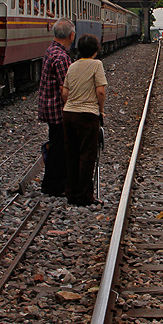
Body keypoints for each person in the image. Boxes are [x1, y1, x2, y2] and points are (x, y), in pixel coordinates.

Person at [61, 33, 107, 206]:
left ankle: (71, 193)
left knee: (71, 154)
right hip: (88, 114)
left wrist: (71, 106)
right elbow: (100, 91)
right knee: (87, 155)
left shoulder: (72, 66)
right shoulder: (97, 64)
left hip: (69, 114)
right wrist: (100, 110)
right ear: (96, 49)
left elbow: (64, 93)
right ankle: (85, 196)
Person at [38, 18, 75, 197]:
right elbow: (64, 88)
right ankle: (54, 185)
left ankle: (52, 182)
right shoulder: (61, 57)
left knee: (56, 144)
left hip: (49, 106)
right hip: (58, 109)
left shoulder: (51, 51)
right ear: (71, 35)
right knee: (60, 147)